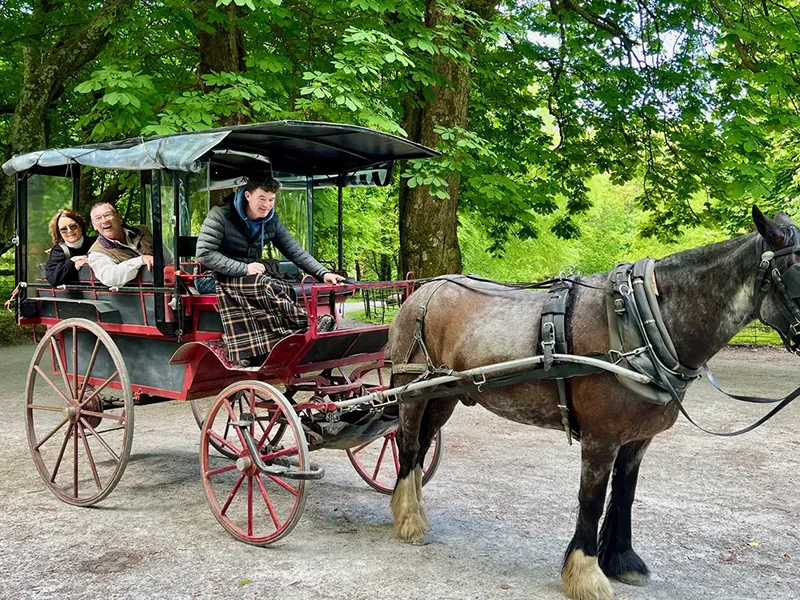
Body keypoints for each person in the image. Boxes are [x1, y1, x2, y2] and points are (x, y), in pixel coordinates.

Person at [196, 175, 344, 365]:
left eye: (271, 200)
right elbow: (204, 254)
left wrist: (324, 273)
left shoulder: (271, 220)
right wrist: (244, 268)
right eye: (262, 199)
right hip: (213, 276)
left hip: (249, 275)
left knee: (283, 285)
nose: (267, 205)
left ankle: (277, 343)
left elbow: (294, 251)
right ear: (248, 195)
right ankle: (309, 324)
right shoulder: (220, 215)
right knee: (263, 284)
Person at [87, 202, 156, 288]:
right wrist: (140, 260)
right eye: (98, 218)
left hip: (167, 288)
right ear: (94, 226)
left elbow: (169, 258)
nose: (104, 220)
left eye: (108, 215)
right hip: (136, 298)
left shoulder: (143, 231)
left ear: (119, 217)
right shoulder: (96, 253)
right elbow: (110, 278)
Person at [44, 209, 95, 287]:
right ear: (59, 233)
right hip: (73, 296)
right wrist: (72, 261)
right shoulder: (58, 251)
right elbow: (54, 279)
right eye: (63, 229)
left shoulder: (96, 243)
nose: (69, 231)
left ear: (80, 227)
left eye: (73, 226)